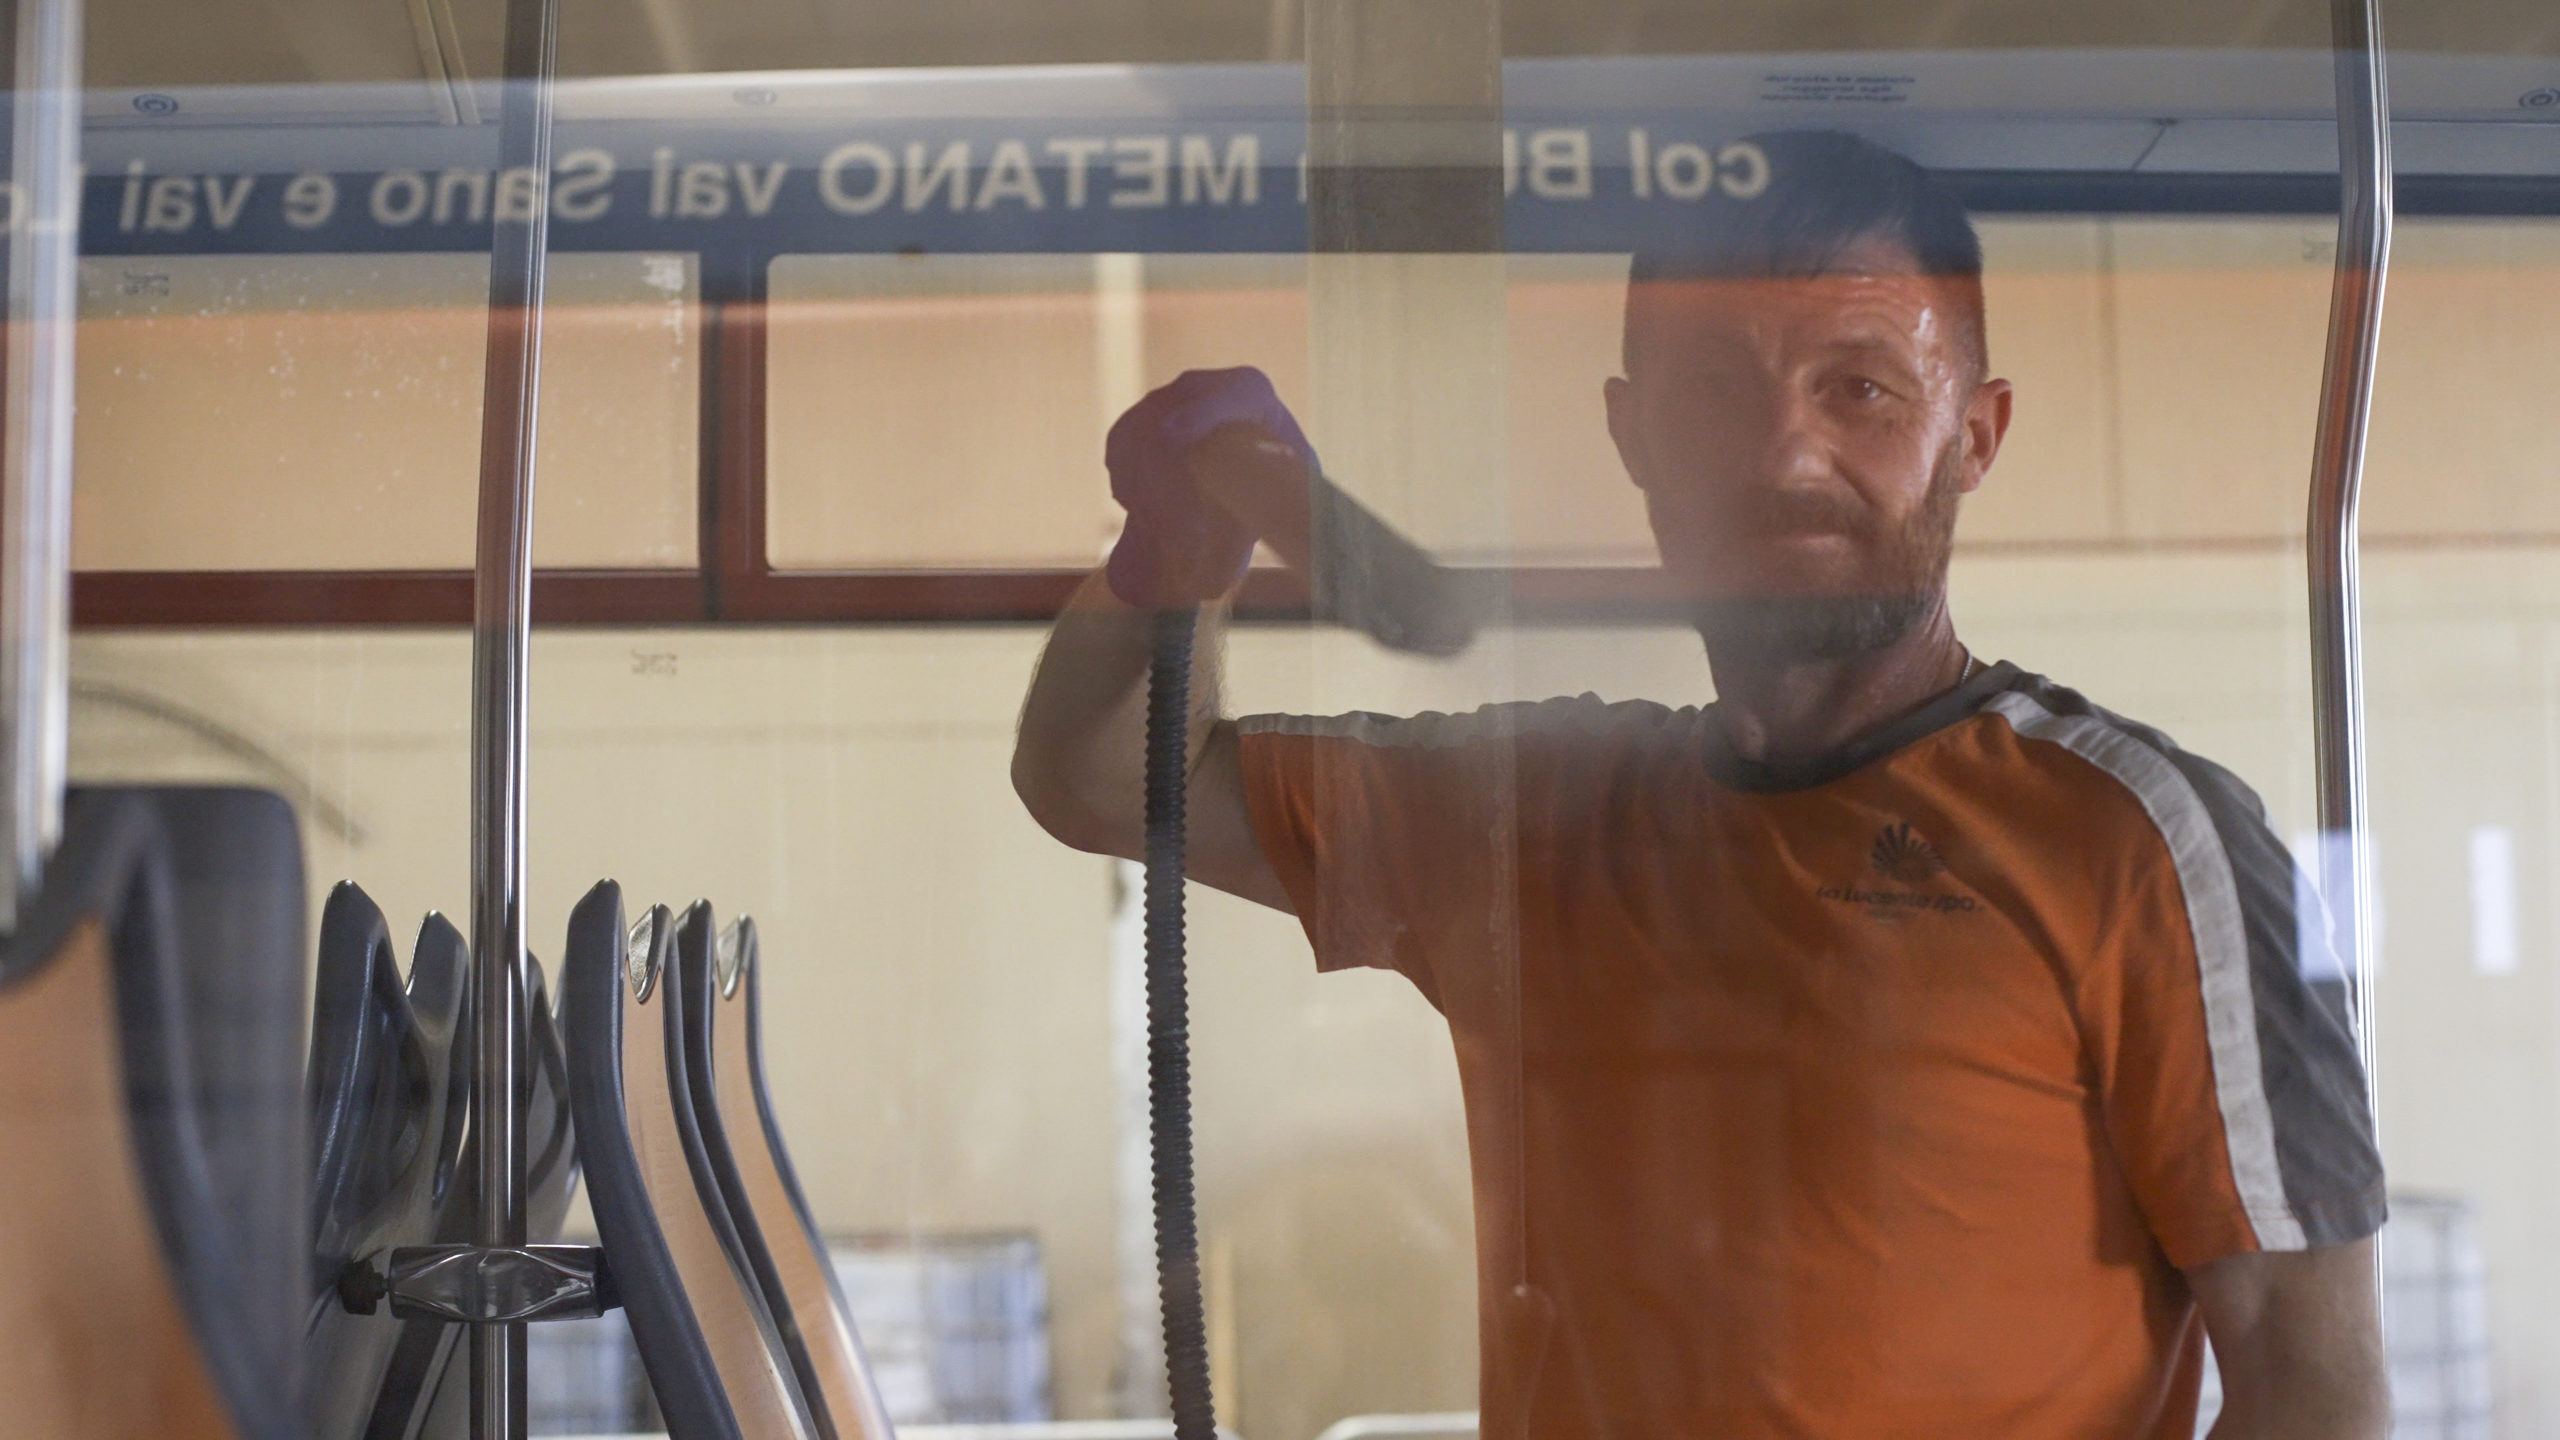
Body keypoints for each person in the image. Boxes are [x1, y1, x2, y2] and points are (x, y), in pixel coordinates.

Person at [1012, 130, 2387, 1439]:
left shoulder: (2143, 846)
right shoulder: (1534, 818)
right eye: (1717, 391)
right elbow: (1105, 780)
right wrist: (1172, 554)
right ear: (1634, 435)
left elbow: (2316, 1391)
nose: (1784, 455)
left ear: (1975, 436)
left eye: (1860, 389)